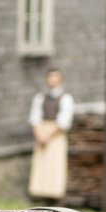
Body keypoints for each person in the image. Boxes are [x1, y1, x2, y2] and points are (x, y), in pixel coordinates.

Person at [27, 67, 74, 204]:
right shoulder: (41, 97)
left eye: (55, 77)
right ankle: (41, 195)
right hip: (42, 132)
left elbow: (63, 121)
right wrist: (39, 134)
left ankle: (55, 196)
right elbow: (34, 117)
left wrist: (49, 135)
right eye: (50, 77)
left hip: (55, 135)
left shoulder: (65, 98)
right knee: (42, 165)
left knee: (55, 165)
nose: (52, 80)